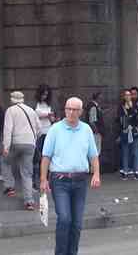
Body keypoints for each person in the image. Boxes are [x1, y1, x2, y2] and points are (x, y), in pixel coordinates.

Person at [40, 97, 102, 255]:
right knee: (65, 219)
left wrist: (96, 174)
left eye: (75, 110)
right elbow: (46, 156)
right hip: (60, 181)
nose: (71, 112)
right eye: (69, 109)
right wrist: (43, 179)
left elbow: (93, 155)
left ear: (81, 112)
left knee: (77, 224)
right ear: (65, 109)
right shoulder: (55, 129)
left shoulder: (86, 129)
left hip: (80, 181)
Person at [2, 90, 42, 210]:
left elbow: (8, 129)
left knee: (5, 161)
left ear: (12, 99)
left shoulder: (10, 110)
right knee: (27, 173)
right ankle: (29, 201)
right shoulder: (31, 110)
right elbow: (39, 128)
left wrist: (6, 147)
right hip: (30, 144)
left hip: (16, 142)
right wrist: (33, 139)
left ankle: (10, 187)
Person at [33, 85, 56, 190]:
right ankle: (36, 181)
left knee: (47, 157)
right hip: (39, 132)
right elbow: (36, 114)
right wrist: (47, 114)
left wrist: (51, 117)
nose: (45, 96)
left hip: (48, 131)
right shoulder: (36, 104)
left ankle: (46, 181)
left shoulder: (49, 104)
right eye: (43, 94)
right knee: (38, 158)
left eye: (46, 94)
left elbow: (52, 117)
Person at [116, 89, 138, 179]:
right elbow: (119, 120)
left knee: (135, 151)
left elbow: (137, 117)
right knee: (125, 152)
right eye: (126, 95)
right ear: (123, 97)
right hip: (125, 131)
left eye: (129, 95)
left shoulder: (135, 106)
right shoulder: (121, 107)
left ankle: (136, 171)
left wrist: (131, 109)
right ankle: (125, 171)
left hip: (134, 130)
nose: (127, 96)